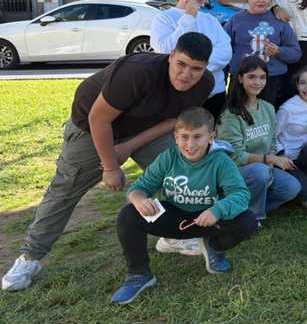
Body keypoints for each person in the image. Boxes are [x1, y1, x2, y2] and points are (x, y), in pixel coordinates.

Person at [2, 33, 215, 292]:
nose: (186, 74)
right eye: (181, 64)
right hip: (92, 126)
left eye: (196, 69)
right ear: (171, 56)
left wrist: (129, 146)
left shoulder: (205, 83)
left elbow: (173, 121)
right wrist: (111, 166)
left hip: (144, 126)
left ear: (205, 67)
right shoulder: (138, 71)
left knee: (177, 174)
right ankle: (30, 257)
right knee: (66, 188)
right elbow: (99, 118)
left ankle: (171, 235)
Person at [110, 107, 259, 305]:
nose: (190, 144)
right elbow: (139, 188)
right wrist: (140, 200)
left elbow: (240, 194)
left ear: (211, 137)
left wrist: (217, 210)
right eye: (185, 137)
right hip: (174, 217)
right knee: (128, 215)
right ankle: (139, 274)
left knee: (247, 221)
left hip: (207, 219)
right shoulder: (168, 157)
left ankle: (214, 247)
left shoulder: (221, 161)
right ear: (176, 137)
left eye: (197, 137)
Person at [217, 57, 303, 221]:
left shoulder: (268, 108)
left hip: (262, 168)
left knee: (292, 187)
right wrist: (269, 160)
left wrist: (269, 165)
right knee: (259, 172)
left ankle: (238, 208)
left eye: (262, 77)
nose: (257, 82)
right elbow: (235, 156)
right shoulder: (231, 114)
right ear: (240, 78)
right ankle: (254, 218)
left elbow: (272, 141)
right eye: (251, 77)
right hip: (236, 171)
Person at [150, 0, 232, 118]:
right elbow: (166, 51)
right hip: (181, 96)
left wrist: (195, 65)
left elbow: (225, 51)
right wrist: (188, 17)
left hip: (214, 95)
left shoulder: (210, 20)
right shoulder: (164, 18)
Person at [224, 0, 302, 108]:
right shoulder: (235, 20)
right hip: (241, 80)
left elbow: (296, 53)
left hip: (272, 81)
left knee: (268, 116)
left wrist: (278, 51)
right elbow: (224, 52)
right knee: (237, 116)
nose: (261, 0)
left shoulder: (280, 21)